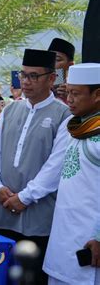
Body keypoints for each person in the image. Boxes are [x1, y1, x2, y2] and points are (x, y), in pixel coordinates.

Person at [0, 49, 71, 284]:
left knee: (32, 278)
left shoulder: (63, 115)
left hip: (38, 215)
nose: (26, 81)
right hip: (2, 209)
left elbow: (56, 166)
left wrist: (24, 197)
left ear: (52, 79)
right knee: (0, 276)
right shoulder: (11, 109)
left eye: (34, 76)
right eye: (23, 75)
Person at [43, 63, 100, 284]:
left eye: (76, 94)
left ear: (97, 95)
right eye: (67, 92)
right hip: (63, 236)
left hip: (89, 240)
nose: (69, 100)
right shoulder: (75, 127)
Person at [48, 37, 75, 102]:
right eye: (49, 58)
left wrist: (69, 97)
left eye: (57, 59)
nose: (51, 63)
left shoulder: (75, 87)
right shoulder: (39, 84)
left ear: (70, 65)